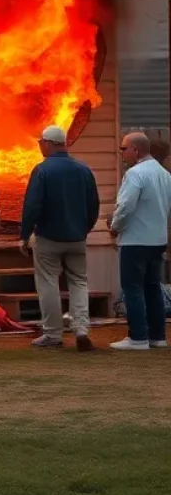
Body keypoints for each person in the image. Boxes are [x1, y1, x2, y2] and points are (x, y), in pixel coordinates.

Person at [19, 124, 100, 351]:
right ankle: (82, 329)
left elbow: (32, 206)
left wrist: (24, 235)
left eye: (41, 142)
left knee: (48, 283)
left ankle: (52, 334)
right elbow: (94, 205)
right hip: (77, 237)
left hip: (48, 238)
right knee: (79, 281)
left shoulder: (42, 170)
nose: (39, 146)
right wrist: (84, 229)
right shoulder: (83, 170)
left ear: (49, 143)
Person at [107, 132, 171, 351]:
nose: (121, 154)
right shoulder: (164, 174)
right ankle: (158, 336)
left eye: (123, 149)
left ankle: (138, 337)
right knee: (153, 288)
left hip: (135, 241)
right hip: (158, 240)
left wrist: (114, 227)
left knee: (132, 288)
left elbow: (125, 206)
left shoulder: (135, 174)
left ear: (136, 149)